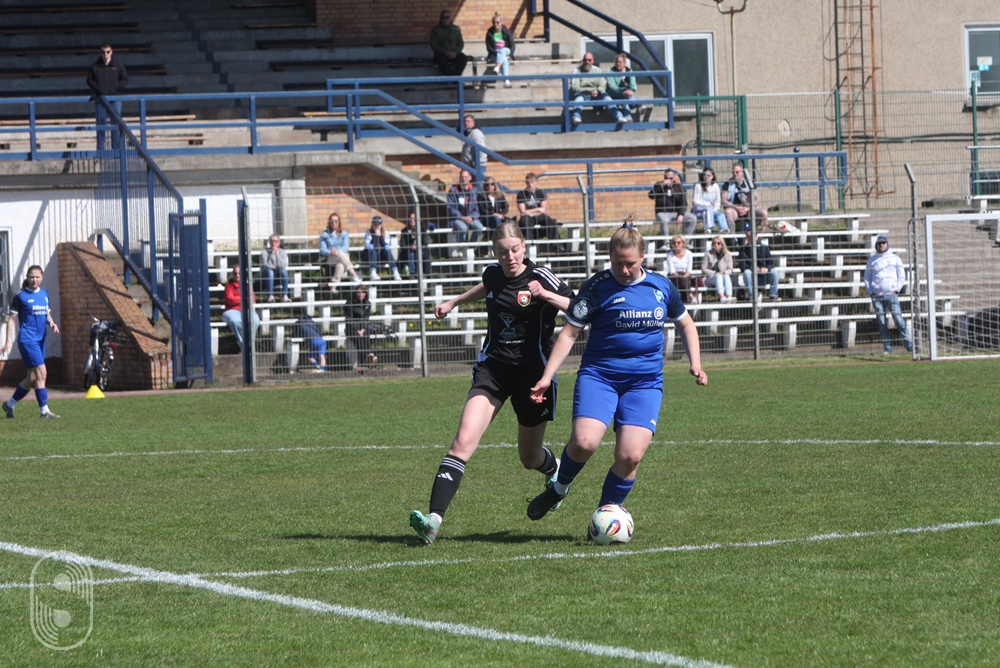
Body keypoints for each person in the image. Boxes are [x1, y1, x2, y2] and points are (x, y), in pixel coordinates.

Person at [525, 221, 708, 524]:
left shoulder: (661, 286)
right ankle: (559, 487)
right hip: (600, 376)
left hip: (645, 383)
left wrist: (695, 363)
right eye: (618, 263)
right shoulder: (597, 286)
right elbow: (570, 333)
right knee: (584, 442)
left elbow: (686, 324)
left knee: (630, 456)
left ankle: (605, 516)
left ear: (643, 257)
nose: (624, 269)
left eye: (630, 263)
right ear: (609, 257)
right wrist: (546, 376)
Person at [410, 222, 575, 544]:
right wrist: (453, 302)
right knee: (462, 441)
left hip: (534, 377)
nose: (509, 257)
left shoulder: (542, 276)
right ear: (494, 252)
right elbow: (485, 286)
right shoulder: (493, 274)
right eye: (502, 252)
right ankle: (433, 521)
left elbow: (581, 307)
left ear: (524, 247)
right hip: (493, 371)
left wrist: (545, 295)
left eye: (514, 250)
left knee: (529, 458)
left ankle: (552, 466)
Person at [1, 266, 61, 419]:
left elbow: (46, 313)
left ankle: (9, 404)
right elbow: (12, 319)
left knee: (32, 378)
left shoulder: (44, 294)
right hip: (28, 340)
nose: (34, 280)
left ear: (42, 278)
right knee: (42, 373)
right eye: (32, 277)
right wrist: (8, 342)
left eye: (37, 277)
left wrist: (52, 323)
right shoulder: (20, 296)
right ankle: (44, 411)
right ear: (27, 277)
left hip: (41, 340)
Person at [864, 235, 913, 355]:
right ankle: (887, 347)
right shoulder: (872, 260)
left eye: (883, 243)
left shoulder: (895, 258)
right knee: (882, 322)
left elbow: (901, 275)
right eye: (879, 243)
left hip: (891, 295)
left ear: (887, 244)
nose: (882, 245)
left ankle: (908, 343)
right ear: (876, 245)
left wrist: (896, 290)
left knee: (898, 319)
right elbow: (867, 277)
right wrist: (871, 292)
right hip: (877, 296)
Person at [86, 43, 128, 151]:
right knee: (101, 125)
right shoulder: (95, 66)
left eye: (108, 52)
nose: (106, 54)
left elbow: (124, 79)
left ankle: (115, 150)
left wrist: (116, 88)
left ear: (111, 52)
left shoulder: (118, 65)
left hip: (115, 99)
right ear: (100, 53)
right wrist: (98, 89)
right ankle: (100, 151)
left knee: (115, 124)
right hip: (101, 99)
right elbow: (89, 80)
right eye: (103, 52)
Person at [569, 52, 622, 125]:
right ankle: (576, 117)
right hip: (582, 94)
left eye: (589, 60)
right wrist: (588, 91)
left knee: (606, 97)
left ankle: (618, 117)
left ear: (593, 61)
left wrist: (597, 91)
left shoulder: (597, 70)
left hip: (595, 94)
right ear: (583, 60)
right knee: (579, 98)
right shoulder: (577, 71)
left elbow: (602, 86)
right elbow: (575, 87)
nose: (587, 62)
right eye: (585, 60)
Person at [648, 169, 697, 238]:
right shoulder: (659, 185)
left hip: (676, 212)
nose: (668, 180)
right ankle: (666, 242)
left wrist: (681, 214)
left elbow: (683, 202)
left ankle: (686, 241)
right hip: (663, 212)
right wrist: (662, 185)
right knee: (664, 220)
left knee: (692, 218)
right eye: (666, 178)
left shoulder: (679, 187)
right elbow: (651, 195)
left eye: (670, 178)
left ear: (674, 178)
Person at [318, 213, 361, 292]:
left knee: (340, 265)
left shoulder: (344, 234)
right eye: (331, 221)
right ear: (329, 222)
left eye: (336, 221)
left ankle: (333, 287)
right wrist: (330, 252)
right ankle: (353, 273)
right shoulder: (324, 235)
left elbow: (345, 248)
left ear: (339, 222)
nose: (333, 223)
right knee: (340, 254)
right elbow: (322, 250)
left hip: (341, 258)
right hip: (330, 258)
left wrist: (337, 251)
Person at [221, 265, 261, 349]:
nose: (237, 275)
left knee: (255, 320)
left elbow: (252, 299)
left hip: (245, 310)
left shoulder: (247, 286)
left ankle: (249, 343)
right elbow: (230, 299)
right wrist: (244, 298)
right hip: (231, 310)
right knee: (235, 321)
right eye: (235, 273)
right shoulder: (229, 286)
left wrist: (237, 298)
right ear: (232, 274)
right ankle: (244, 343)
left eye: (239, 273)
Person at [737, 226, 780, 302]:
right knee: (747, 272)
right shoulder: (742, 250)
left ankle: (773, 295)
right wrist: (752, 268)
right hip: (751, 278)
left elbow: (771, 262)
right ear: (746, 238)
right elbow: (742, 266)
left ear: (756, 237)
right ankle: (752, 297)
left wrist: (766, 268)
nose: (750, 238)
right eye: (748, 236)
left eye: (752, 236)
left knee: (774, 272)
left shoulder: (764, 248)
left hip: (764, 276)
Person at [446, 169, 484, 254]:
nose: (464, 179)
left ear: (470, 178)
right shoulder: (453, 190)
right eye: (462, 177)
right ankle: (461, 247)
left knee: (479, 227)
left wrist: (472, 217)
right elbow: (450, 207)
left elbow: (477, 208)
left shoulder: (474, 190)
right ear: (460, 178)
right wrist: (462, 217)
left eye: (466, 177)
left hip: (470, 218)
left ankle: (471, 248)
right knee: (463, 228)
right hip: (457, 218)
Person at [723, 163, 769, 231]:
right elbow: (723, 201)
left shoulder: (749, 183)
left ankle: (761, 234)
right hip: (735, 210)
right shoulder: (728, 184)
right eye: (733, 172)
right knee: (728, 212)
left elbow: (758, 199)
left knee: (764, 213)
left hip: (749, 210)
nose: (735, 174)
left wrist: (749, 208)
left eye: (737, 172)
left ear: (742, 172)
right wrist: (736, 207)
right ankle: (732, 235)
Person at [516, 172, 561, 244]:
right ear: (525, 183)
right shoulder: (521, 194)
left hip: (539, 215)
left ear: (536, 182)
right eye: (528, 182)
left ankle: (558, 246)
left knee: (551, 222)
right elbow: (523, 212)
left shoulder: (541, 192)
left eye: (532, 182)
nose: (530, 185)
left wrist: (529, 212)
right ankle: (530, 246)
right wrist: (537, 209)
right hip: (527, 217)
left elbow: (543, 210)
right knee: (525, 224)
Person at [344, 283, 375, 373]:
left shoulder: (368, 304)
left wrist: (362, 329)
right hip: (351, 328)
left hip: (362, 327)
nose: (360, 295)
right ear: (355, 293)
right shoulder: (349, 303)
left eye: (363, 292)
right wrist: (357, 329)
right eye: (358, 292)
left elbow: (366, 318)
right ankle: (367, 356)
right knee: (357, 337)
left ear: (366, 294)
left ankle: (368, 356)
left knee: (366, 334)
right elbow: (348, 319)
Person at [364, 215, 403, 281]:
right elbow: (368, 247)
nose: (377, 226)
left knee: (387, 251)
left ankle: (395, 272)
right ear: (372, 224)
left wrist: (380, 237)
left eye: (378, 224)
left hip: (382, 256)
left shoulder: (386, 233)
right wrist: (376, 236)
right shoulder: (368, 233)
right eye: (375, 224)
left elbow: (386, 247)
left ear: (381, 225)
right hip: (370, 256)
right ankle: (373, 273)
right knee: (374, 250)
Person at [430, 9, 468, 76]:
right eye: (443, 17)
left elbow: (460, 43)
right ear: (441, 19)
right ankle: (450, 77)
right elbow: (434, 45)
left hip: (454, 53)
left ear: (450, 18)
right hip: (441, 54)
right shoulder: (436, 30)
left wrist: (455, 52)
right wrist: (446, 52)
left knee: (463, 58)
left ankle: (455, 77)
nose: (445, 19)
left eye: (447, 17)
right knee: (440, 60)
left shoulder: (456, 29)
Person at [691, 167, 729, 233]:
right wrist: (709, 205)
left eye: (708, 175)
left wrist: (714, 210)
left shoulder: (715, 186)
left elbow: (717, 202)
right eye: (704, 175)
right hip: (699, 210)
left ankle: (724, 229)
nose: (706, 177)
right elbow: (695, 201)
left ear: (712, 176)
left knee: (721, 215)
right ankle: (708, 228)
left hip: (712, 210)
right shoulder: (698, 185)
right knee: (708, 209)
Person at [398, 212, 432, 277]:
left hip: (420, 250)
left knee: (418, 253)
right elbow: (402, 245)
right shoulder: (405, 231)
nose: (412, 220)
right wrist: (411, 246)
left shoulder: (423, 230)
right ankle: (413, 274)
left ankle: (418, 274)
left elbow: (425, 244)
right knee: (411, 254)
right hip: (407, 252)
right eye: (410, 218)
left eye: (414, 218)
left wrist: (418, 247)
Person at [485, 13, 514, 87]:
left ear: (501, 22)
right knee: (504, 60)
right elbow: (489, 47)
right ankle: (506, 80)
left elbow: (512, 45)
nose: (495, 24)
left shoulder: (506, 31)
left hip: (506, 51)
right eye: (494, 22)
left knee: (503, 50)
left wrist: (510, 55)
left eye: (497, 22)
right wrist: (498, 53)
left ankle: (497, 67)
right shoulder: (490, 32)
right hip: (495, 53)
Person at [259, 234, 291, 303]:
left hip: (278, 277)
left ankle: (285, 296)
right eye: (271, 241)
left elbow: (284, 265)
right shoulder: (264, 252)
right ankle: (270, 296)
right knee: (270, 272)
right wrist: (272, 255)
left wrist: (277, 255)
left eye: (275, 241)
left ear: (279, 242)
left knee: (284, 271)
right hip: (266, 277)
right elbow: (265, 266)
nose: (273, 243)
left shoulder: (283, 252)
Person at [606, 53, 638, 121]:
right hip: (613, 93)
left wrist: (632, 90)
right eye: (617, 62)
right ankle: (639, 105)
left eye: (620, 62)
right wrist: (622, 91)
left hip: (626, 95)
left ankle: (628, 117)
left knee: (625, 98)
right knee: (625, 92)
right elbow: (612, 86)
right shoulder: (611, 71)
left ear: (624, 63)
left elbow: (633, 84)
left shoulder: (629, 71)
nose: (618, 64)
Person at [703, 236, 734, 302]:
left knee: (726, 275)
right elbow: (703, 269)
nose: (716, 245)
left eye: (718, 243)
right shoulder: (708, 254)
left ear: (722, 244)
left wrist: (724, 272)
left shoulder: (727, 254)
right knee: (718, 275)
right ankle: (722, 297)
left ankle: (729, 297)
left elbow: (730, 269)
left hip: (723, 276)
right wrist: (715, 273)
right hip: (710, 278)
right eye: (714, 243)